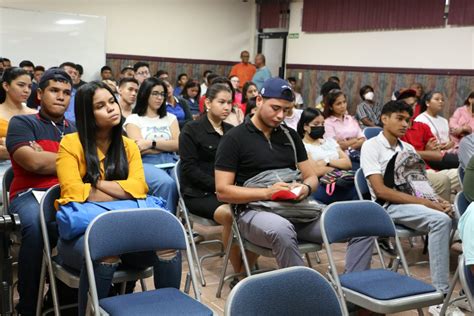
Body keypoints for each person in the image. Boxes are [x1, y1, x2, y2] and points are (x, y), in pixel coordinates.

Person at [215, 77, 373, 271]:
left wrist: (305, 188)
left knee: (364, 226)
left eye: (287, 110)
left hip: (296, 210)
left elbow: (311, 177)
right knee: (282, 229)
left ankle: (352, 292)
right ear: (259, 101)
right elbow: (223, 191)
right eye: (275, 108)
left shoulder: (290, 136)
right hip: (253, 211)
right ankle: (301, 292)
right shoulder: (234, 139)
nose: (281, 115)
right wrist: (266, 193)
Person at [55, 81, 181, 316]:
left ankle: (169, 310)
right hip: (82, 235)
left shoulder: (127, 146)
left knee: (169, 245)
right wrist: (124, 193)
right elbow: (74, 193)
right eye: (101, 106)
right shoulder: (71, 144)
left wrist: (96, 184)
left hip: (127, 232)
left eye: (112, 101)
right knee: (107, 246)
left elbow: (139, 187)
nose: (111, 108)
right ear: (87, 114)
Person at [360, 100, 454, 306]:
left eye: (407, 120)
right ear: (384, 119)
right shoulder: (371, 146)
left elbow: (420, 185)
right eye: (399, 118)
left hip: (411, 202)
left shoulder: (408, 148)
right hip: (386, 207)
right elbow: (381, 190)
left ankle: (462, 281)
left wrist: (438, 200)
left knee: (454, 213)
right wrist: (427, 204)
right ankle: (440, 296)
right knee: (440, 221)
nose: (405, 124)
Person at [6, 68, 75, 315]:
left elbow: (95, 163)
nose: (61, 97)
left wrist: (46, 155)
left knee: (84, 224)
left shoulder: (77, 128)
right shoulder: (23, 122)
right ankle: (28, 306)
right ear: (39, 94)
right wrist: (75, 159)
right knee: (37, 226)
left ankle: (63, 300)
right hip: (29, 193)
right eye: (54, 91)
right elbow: (32, 163)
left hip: (70, 192)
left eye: (66, 92)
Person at [179, 83, 244, 274]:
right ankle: (239, 271)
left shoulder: (232, 130)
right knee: (231, 216)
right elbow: (189, 169)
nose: (226, 107)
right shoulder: (192, 129)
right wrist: (219, 186)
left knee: (254, 212)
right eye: (221, 102)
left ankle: (245, 262)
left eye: (229, 103)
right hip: (199, 193)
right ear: (207, 103)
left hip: (227, 190)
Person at [123, 77, 178, 213]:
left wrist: (150, 143)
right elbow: (138, 149)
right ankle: (167, 222)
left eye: (162, 94)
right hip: (145, 164)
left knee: (188, 181)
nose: (160, 98)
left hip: (172, 161)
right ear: (145, 94)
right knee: (167, 183)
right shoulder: (134, 119)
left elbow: (178, 145)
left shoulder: (170, 118)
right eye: (155, 93)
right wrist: (166, 146)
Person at [297, 108, 356, 204]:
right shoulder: (302, 146)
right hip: (322, 185)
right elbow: (314, 172)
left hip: (342, 182)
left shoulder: (330, 141)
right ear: (305, 127)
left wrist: (327, 162)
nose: (320, 127)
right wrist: (338, 169)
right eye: (316, 124)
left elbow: (348, 163)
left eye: (322, 124)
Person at [0, 68, 37, 189]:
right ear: (6, 85)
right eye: (21, 85)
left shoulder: (35, 114)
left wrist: (12, 148)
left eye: (29, 86)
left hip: (32, 168)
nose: (26, 90)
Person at [323, 89, 365, 170]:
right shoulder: (327, 123)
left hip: (358, 155)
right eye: (338, 104)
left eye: (344, 102)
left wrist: (347, 144)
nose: (343, 106)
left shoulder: (350, 119)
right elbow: (336, 147)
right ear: (331, 107)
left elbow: (363, 139)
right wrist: (355, 140)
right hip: (342, 160)